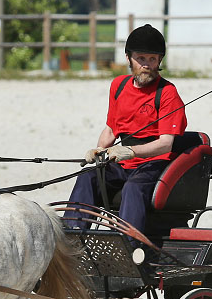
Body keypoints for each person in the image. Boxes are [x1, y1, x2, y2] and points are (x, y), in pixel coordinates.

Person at [63, 24, 187, 235]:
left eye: (152, 59)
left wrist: (130, 151)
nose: (146, 65)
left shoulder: (167, 93)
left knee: (133, 188)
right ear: (129, 58)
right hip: (122, 163)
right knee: (88, 176)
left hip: (154, 164)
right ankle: (73, 236)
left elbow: (166, 143)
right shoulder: (118, 86)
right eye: (141, 59)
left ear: (159, 61)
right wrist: (98, 150)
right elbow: (112, 129)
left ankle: (128, 243)